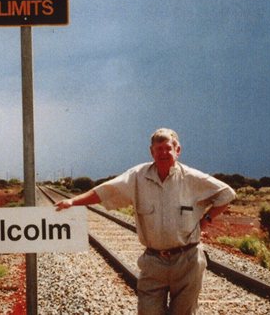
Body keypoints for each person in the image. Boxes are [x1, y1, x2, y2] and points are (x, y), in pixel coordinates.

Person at [55, 128, 236, 315]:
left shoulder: (192, 178)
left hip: (187, 261)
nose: (164, 153)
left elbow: (227, 194)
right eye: (159, 149)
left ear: (177, 150)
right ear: (152, 152)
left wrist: (206, 219)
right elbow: (105, 191)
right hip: (153, 262)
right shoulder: (137, 176)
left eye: (168, 148)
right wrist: (73, 201)